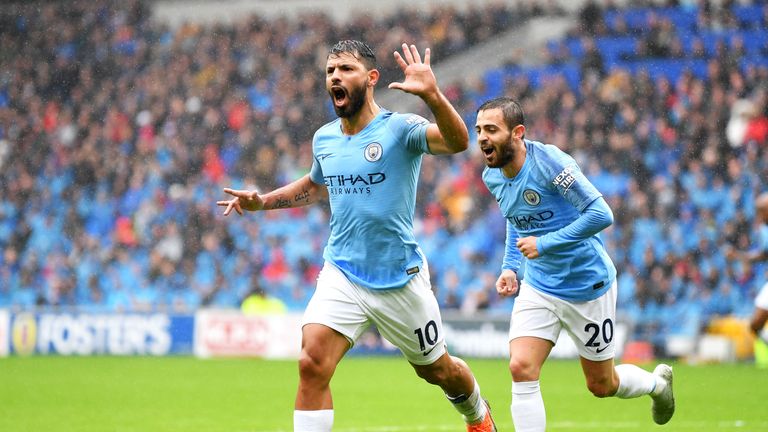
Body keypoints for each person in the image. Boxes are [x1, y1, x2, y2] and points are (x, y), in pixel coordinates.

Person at [218, 40, 496, 432]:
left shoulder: (400, 128)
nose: (335, 76)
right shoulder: (324, 139)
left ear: (371, 78)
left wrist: (432, 95)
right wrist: (263, 202)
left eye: (345, 69)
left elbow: (457, 142)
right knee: (311, 362)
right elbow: (316, 187)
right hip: (343, 272)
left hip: (399, 278)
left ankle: (477, 415)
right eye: (330, 70)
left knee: (439, 371)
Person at [474, 96, 675, 430]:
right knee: (521, 367)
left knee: (601, 385)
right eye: (479, 129)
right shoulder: (492, 176)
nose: (482, 137)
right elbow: (516, 218)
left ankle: (657, 385)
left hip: (587, 286)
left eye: (492, 129)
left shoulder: (549, 162)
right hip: (539, 286)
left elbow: (601, 214)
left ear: (518, 133)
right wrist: (510, 266)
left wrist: (546, 243)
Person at [728, 192, 768, 366]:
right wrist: (739, 256)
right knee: (755, 324)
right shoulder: (765, 230)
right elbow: (764, 254)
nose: (759, 215)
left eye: (761, 211)